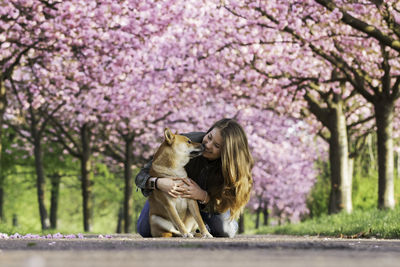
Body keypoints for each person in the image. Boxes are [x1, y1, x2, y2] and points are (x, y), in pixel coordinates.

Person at [135, 118, 254, 237]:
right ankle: (190, 228)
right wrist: (158, 182)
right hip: (172, 195)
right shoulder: (184, 142)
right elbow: (142, 175)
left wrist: (203, 195)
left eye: (216, 146)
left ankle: (222, 224)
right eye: (209, 137)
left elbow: (228, 201)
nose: (207, 145)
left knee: (224, 231)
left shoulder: (233, 168)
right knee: (145, 229)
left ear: (226, 153)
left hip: (210, 204)